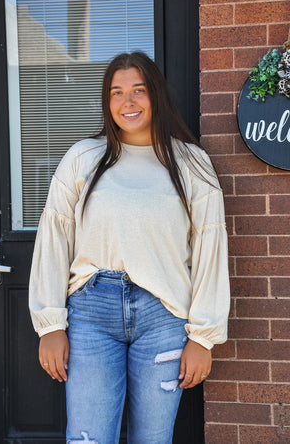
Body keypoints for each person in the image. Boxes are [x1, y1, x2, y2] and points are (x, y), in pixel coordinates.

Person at [29, 51, 230, 443]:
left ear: (155, 95)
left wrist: (203, 337)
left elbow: (210, 248)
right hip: (91, 314)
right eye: (117, 93)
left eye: (138, 90)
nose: (128, 102)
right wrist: (50, 325)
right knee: (88, 438)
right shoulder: (82, 158)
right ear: (107, 102)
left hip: (164, 319)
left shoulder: (192, 164)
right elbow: (54, 237)